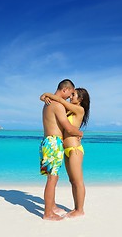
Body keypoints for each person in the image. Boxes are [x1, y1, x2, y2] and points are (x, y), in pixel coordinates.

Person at [40, 87, 90, 218]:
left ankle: (80, 210)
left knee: (77, 181)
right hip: (65, 148)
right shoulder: (67, 110)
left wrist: (47, 94)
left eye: (74, 95)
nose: (71, 97)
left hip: (74, 149)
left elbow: (60, 101)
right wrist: (47, 98)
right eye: (71, 94)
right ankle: (75, 208)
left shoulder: (80, 109)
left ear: (81, 99)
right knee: (71, 180)